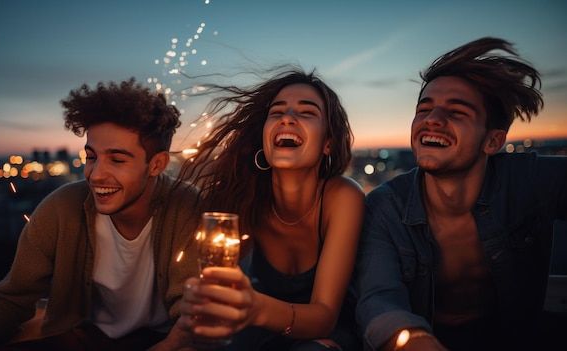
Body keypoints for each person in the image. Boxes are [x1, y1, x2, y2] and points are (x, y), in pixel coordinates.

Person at [0, 78, 201, 351]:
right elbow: (12, 299)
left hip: (162, 341)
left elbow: (190, 312)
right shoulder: (62, 206)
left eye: (117, 159)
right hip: (83, 337)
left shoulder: (185, 206)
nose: (95, 174)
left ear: (156, 164)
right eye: (91, 157)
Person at [355, 37, 567, 351]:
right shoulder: (385, 207)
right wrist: (414, 342)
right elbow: (379, 299)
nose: (432, 120)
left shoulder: (528, 180)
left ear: (493, 142)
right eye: (424, 109)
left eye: (456, 112)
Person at [174, 67, 365, 350]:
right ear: (264, 135)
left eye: (307, 113)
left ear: (328, 143)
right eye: (276, 112)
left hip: (328, 335)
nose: (287, 118)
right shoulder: (243, 196)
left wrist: (255, 308)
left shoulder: (342, 197)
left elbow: (325, 317)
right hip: (259, 329)